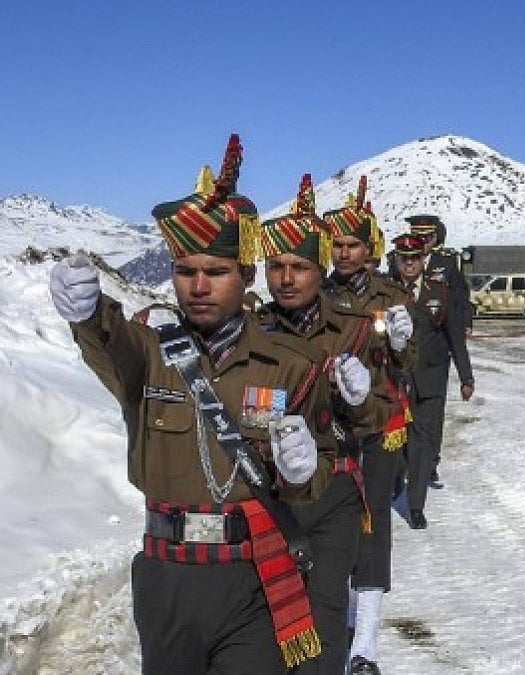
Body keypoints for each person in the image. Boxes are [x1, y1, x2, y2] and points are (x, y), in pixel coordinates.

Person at [48, 135, 334, 674]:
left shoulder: (291, 364)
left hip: (254, 574)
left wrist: (305, 469)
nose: (199, 286)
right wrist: (87, 312)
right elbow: (110, 341)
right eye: (185, 272)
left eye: (217, 272)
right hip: (169, 576)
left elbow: (312, 479)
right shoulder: (151, 354)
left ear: (245, 276)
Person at [257, 174, 412, 675]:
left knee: (339, 580)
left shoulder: (361, 323)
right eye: (275, 266)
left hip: (345, 469)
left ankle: (361, 644)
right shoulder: (253, 328)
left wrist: (381, 374)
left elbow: (393, 394)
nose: (286, 278)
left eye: (298, 266)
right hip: (271, 486)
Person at [322, 176, 416, 675]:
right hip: (333, 423)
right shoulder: (318, 291)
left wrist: (401, 345)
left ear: (368, 248)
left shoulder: (391, 293)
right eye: (336, 244)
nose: (343, 253)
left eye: (352, 244)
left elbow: (411, 360)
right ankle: (337, 619)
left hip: (380, 422)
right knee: (333, 518)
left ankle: (366, 643)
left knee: (373, 518)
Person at [390, 232, 474, 531]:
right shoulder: (387, 291)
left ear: (423, 260)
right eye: (404, 259)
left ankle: (415, 506)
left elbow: (454, 335)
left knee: (423, 444)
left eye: (414, 259)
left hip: (431, 378)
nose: (409, 264)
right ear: (397, 260)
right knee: (398, 441)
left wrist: (466, 376)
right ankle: (398, 478)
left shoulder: (438, 290)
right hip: (396, 380)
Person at [404, 215, 473, 336]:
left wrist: (465, 322)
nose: (423, 242)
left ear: (435, 238)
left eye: (428, 237)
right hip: (406, 328)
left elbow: (460, 295)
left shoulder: (447, 263)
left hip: (437, 330)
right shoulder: (399, 262)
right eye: (419, 238)